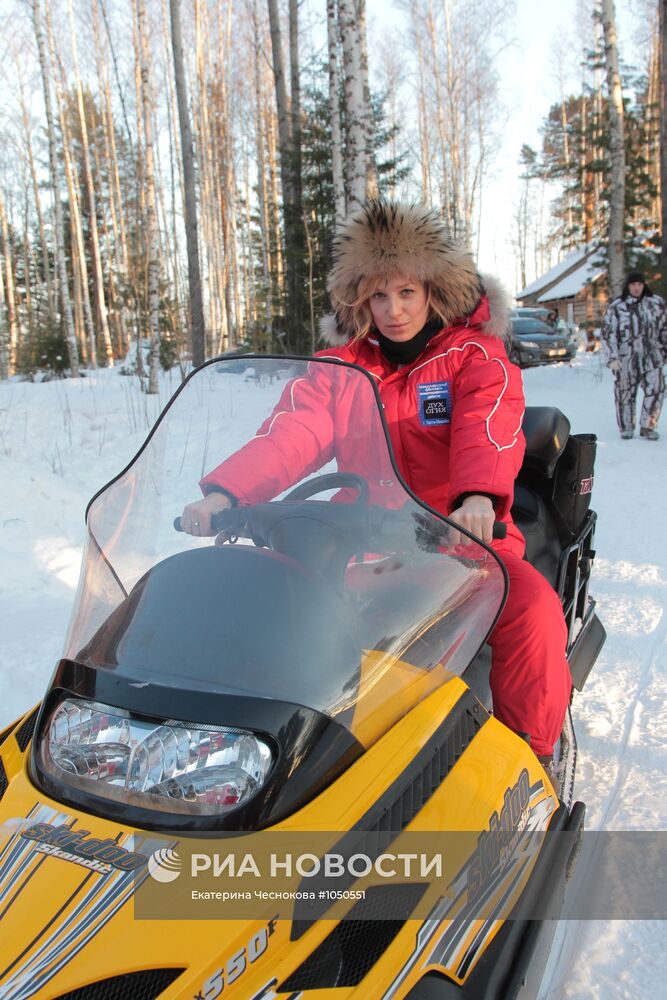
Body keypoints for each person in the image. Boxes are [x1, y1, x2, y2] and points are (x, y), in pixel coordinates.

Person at [181, 200, 572, 776]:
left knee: (534, 611)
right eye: (379, 296)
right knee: (265, 607)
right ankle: (251, 757)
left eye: (407, 293)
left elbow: (485, 424)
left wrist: (476, 498)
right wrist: (229, 495)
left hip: (457, 540)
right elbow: (293, 432)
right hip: (356, 540)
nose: (393, 311)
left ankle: (533, 763)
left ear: (433, 290)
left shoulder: (473, 355)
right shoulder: (341, 365)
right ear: (360, 298)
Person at [601, 269, 667, 440]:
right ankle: (626, 427)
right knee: (625, 394)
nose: (637, 288)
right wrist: (612, 358)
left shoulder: (656, 304)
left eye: (639, 284)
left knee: (656, 390)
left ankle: (647, 426)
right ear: (627, 286)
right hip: (626, 359)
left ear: (644, 285)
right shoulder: (617, 307)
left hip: (652, 358)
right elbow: (609, 334)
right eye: (633, 284)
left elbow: (664, 329)